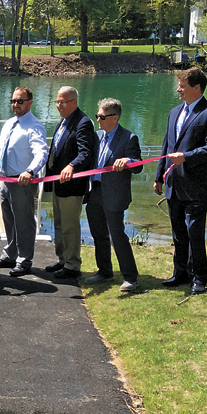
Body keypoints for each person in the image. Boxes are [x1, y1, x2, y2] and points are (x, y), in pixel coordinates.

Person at [155, 67, 207, 295]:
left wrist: (187, 157)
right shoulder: (174, 112)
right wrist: (159, 177)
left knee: (194, 231)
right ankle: (181, 273)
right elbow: (166, 147)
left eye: (183, 86)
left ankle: (199, 277)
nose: (178, 90)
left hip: (198, 185)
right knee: (178, 232)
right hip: (174, 184)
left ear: (197, 88)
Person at [0, 87, 48, 277]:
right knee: (10, 220)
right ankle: (10, 254)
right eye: (13, 101)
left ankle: (24, 260)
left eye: (20, 101)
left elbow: (41, 152)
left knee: (24, 221)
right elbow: (1, 151)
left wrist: (30, 171)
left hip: (22, 181)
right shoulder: (9, 124)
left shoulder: (34, 126)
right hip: (5, 180)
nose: (15, 105)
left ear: (30, 102)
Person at [84, 98, 142, 292]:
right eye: (97, 116)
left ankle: (130, 278)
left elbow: (138, 166)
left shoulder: (129, 138)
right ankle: (104, 271)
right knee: (98, 234)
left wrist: (128, 160)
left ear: (114, 118)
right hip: (95, 192)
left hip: (115, 195)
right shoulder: (96, 136)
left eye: (101, 116)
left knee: (117, 235)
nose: (98, 120)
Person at [44, 86, 96, 279]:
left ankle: (73, 265)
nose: (59, 105)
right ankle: (62, 260)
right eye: (57, 101)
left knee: (69, 226)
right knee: (58, 223)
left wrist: (72, 166)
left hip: (72, 186)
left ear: (74, 102)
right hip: (58, 184)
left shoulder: (83, 123)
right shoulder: (63, 121)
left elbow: (86, 153)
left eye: (62, 102)